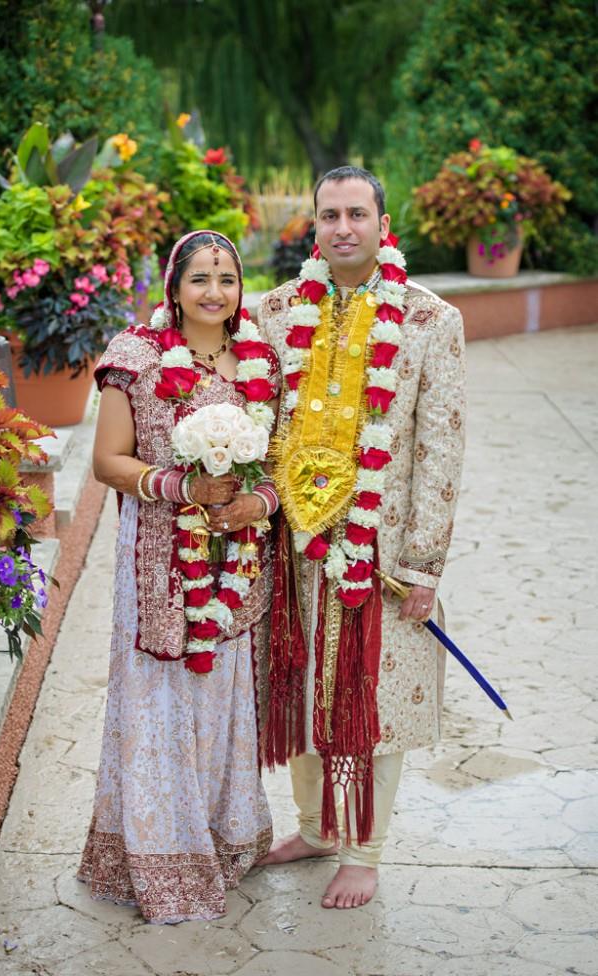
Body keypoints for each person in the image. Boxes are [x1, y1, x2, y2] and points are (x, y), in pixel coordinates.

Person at [257, 166, 466, 910]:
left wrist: (422, 563)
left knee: (372, 704)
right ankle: (314, 830)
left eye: (356, 214)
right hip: (293, 551)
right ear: (313, 226)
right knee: (302, 689)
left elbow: (441, 448)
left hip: (381, 557)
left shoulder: (427, 321)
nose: (342, 227)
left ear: (383, 223)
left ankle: (364, 854)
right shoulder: (277, 314)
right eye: (328, 215)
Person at [78, 230, 281, 923]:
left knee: (221, 700)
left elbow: (279, 467)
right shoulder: (134, 356)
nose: (215, 292)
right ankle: (161, 859)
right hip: (159, 558)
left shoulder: (262, 361)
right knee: (160, 699)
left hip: (236, 557)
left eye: (226, 279)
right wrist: (180, 488)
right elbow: (108, 462)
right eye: (200, 278)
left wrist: (260, 502)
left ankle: (219, 843)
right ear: (173, 285)